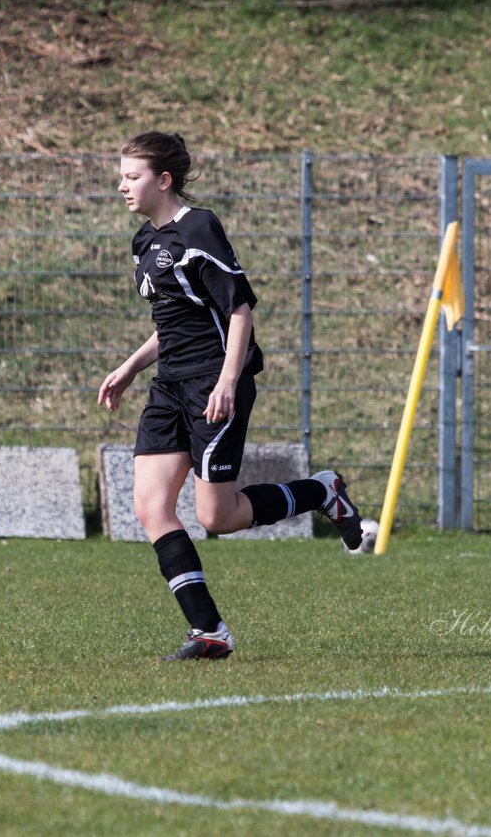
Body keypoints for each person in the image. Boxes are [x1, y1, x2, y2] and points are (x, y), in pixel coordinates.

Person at [98, 131, 364, 660]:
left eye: (132, 177)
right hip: (169, 387)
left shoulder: (199, 227)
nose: (122, 187)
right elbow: (174, 324)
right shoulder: (144, 243)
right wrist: (130, 367)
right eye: (122, 177)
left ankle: (322, 492)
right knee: (152, 508)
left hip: (212, 386)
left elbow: (238, 310)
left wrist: (225, 381)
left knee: (218, 518)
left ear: (163, 180)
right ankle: (210, 631)